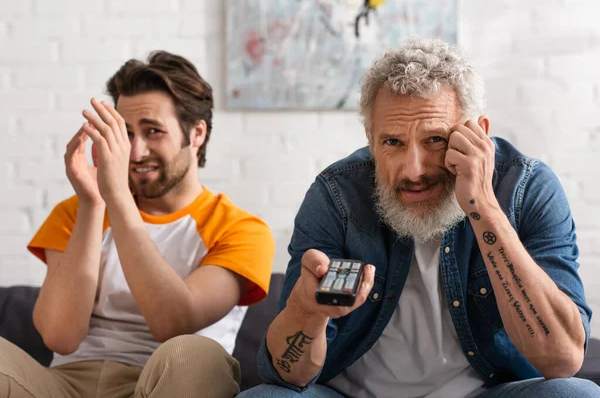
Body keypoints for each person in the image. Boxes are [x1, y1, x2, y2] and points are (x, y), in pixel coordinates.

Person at [240, 38, 600, 397]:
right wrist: (307, 310)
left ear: (479, 134)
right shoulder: (335, 196)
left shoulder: (527, 188)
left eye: (435, 140)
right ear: (371, 138)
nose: (413, 171)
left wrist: (484, 206)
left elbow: (562, 361)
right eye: (392, 143)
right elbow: (291, 376)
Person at [0, 51, 275, 398]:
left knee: (197, 353)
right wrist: (93, 203)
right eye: (126, 134)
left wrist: (117, 198)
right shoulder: (77, 210)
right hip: (64, 385)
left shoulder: (241, 230)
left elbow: (174, 323)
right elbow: (60, 336)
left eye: (153, 131)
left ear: (197, 133)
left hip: (161, 385)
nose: (135, 152)